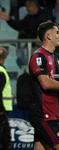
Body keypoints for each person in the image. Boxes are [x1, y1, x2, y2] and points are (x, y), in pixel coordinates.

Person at [29, 21, 59, 150]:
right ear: (48, 36)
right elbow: (45, 84)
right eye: (57, 32)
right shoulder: (38, 56)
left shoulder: (56, 57)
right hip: (44, 115)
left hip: (53, 113)